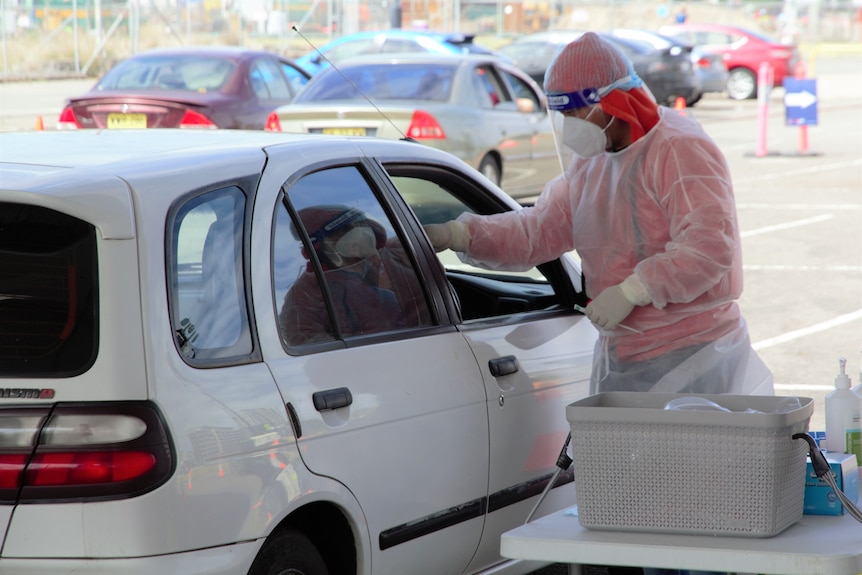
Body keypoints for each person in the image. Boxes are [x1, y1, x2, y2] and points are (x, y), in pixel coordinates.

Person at [424, 31, 772, 575]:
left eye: (577, 114)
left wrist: (635, 288)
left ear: (612, 104)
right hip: (624, 362)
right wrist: (457, 234)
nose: (570, 131)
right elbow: (537, 230)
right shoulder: (589, 167)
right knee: (626, 518)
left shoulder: (678, 148)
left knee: (687, 519)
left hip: (694, 357)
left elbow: (710, 246)